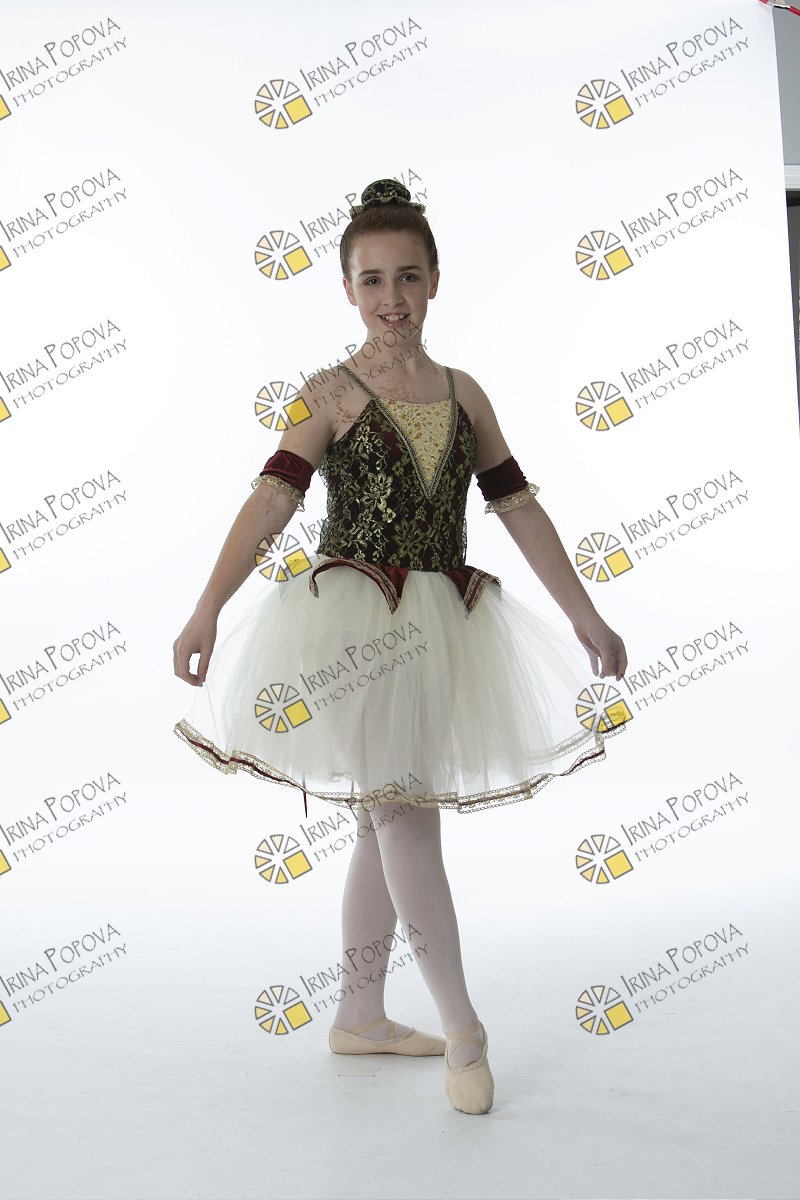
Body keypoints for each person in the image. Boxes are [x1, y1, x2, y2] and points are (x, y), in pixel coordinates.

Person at [172, 178, 629, 1116]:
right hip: (353, 624)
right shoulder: (329, 394)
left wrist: (584, 613)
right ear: (347, 289)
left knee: (381, 818)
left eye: (409, 277)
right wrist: (207, 607)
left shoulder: (465, 394)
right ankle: (464, 1027)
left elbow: (518, 508)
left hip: (443, 622)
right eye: (373, 279)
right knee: (403, 811)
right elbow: (270, 503)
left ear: (435, 281)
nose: (392, 298)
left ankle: (360, 1014)